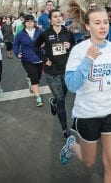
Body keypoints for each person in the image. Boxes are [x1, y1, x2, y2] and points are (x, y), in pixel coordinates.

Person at [61, 7, 111, 183]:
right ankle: (71, 145)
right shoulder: (79, 50)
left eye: (106, 22)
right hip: (87, 113)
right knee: (89, 162)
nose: (103, 26)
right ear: (88, 27)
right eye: (97, 23)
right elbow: (72, 85)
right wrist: (88, 59)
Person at [34, 9, 75, 139]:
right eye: (55, 17)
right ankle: (65, 129)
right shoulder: (45, 33)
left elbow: (75, 47)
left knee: (62, 95)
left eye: (59, 16)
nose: (58, 18)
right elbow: (35, 46)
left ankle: (54, 102)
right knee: (61, 100)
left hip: (66, 71)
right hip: (51, 72)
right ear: (50, 20)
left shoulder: (68, 33)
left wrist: (70, 46)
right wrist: (45, 59)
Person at [13, 15, 44, 107]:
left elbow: (46, 42)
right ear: (24, 23)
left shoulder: (40, 32)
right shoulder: (20, 34)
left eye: (31, 21)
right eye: (28, 21)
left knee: (38, 77)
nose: (30, 23)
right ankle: (38, 98)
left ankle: (32, 82)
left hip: (39, 58)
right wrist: (17, 53)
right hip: (27, 58)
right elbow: (15, 44)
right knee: (34, 77)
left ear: (34, 22)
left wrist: (44, 47)